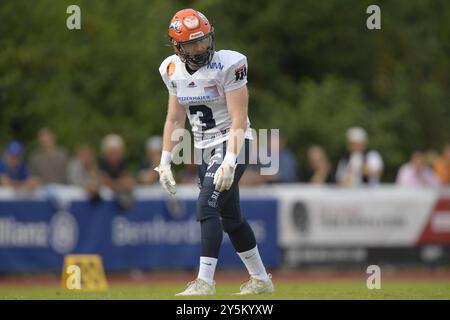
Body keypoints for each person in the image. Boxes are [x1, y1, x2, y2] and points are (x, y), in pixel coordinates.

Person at [154, 9, 273, 296]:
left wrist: (230, 161)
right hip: (205, 148)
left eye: (203, 40)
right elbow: (174, 119)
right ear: (176, 47)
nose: (200, 48)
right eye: (192, 44)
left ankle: (204, 282)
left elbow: (239, 118)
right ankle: (261, 280)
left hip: (235, 141)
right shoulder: (171, 69)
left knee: (206, 205)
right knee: (231, 219)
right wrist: (165, 162)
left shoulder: (229, 64)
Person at [98, 134, 135, 209]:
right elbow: (103, 180)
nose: (115, 155)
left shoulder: (122, 163)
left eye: (117, 152)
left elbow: (129, 182)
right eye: (112, 152)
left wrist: (114, 183)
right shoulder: (101, 163)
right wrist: (119, 184)